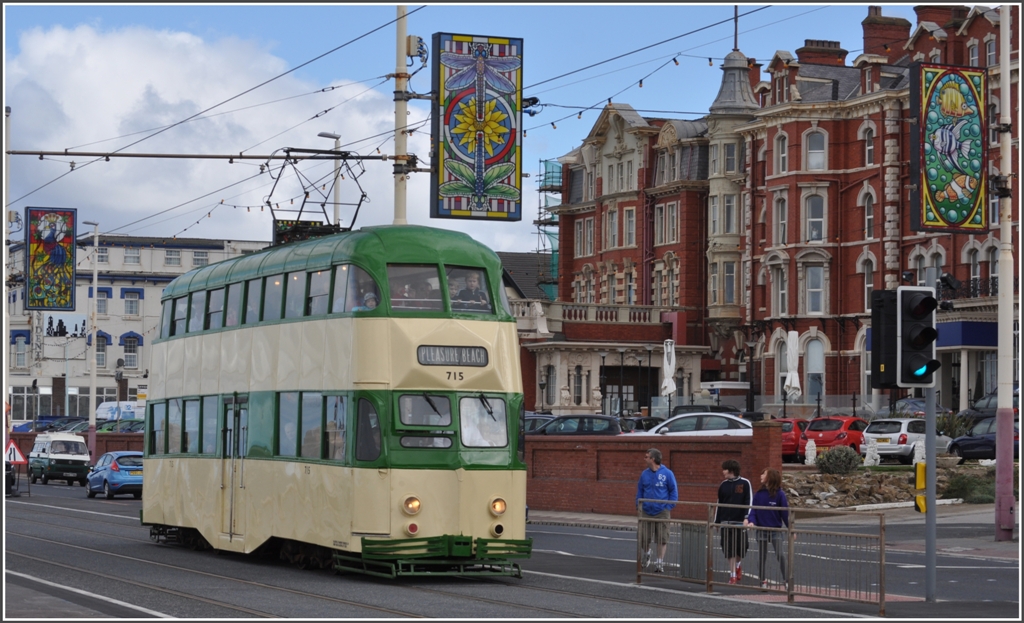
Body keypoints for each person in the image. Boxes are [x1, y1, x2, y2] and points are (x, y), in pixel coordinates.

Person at [744, 467, 789, 590]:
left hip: (775, 530)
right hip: (762, 530)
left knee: (781, 555)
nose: (761, 476)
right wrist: (752, 521)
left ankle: (787, 580)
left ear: (770, 477)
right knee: (761, 556)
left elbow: (785, 514)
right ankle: (762, 580)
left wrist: (791, 528)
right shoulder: (759, 494)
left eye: (763, 474)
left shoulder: (780, 494)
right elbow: (754, 510)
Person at [636, 448, 678, 573]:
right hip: (646, 510)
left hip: (662, 511)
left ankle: (659, 562)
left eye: (646, 456)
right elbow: (639, 491)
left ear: (653, 459)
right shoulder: (644, 474)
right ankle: (647, 552)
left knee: (662, 538)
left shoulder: (667, 473)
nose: (644, 458)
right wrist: (638, 506)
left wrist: (668, 506)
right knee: (643, 537)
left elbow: (673, 491)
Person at [715, 459, 752, 584]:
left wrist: (747, 517)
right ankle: (732, 575)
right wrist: (717, 521)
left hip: (739, 523)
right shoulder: (723, 485)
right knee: (728, 549)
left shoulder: (745, 483)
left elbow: (748, 501)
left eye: (724, 469)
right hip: (726, 522)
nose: (723, 472)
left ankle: (738, 565)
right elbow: (719, 503)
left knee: (741, 548)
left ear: (731, 470)